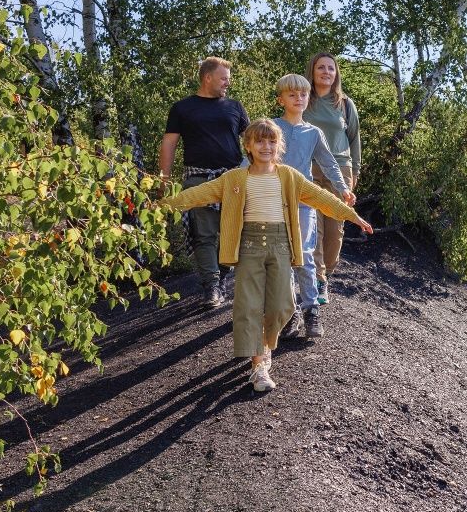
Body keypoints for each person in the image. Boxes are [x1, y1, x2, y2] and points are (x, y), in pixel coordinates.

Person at [158, 119, 372, 391]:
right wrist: (162, 204)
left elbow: (322, 198)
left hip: (281, 245)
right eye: (259, 141)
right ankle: (259, 366)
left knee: (283, 305)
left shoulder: (289, 176)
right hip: (248, 246)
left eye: (272, 141)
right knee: (248, 305)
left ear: (279, 146)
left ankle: (264, 344)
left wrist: (352, 216)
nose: (266, 146)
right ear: (248, 145)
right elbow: (198, 194)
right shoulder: (235, 178)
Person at [159, 57, 249, 308]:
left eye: (228, 79)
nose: (228, 83)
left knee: (235, 232)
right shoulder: (182, 108)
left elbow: (252, 140)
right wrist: (163, 180)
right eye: (224, 78)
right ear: (207, 78)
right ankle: (211, 286)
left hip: (233, 178)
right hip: (198, 179)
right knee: (204, 235)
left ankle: (222, 275)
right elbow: (169, 144)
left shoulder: (235, 107)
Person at [271, 74, 353, 340]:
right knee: (282, 259)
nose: (299, 99)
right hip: (274, 201)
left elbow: (329, 163)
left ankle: (311, 310)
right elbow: (250, 158)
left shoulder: (313, 132)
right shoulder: (271, 127)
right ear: (281, 99)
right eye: (292, 95)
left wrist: (343, 188)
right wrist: (235, 185)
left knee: (305, 255)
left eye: (303, 94)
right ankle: (290, 311)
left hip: (304, 201)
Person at [303, 52, 362, 306]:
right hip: (309, 168)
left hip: (340, 169)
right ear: (312, 71)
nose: (326, 72)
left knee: (335, 228)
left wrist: (355, 171)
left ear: (336, 73)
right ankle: (318, 280)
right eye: (321, 68)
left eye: (330, 68)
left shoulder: (345, 104)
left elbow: (355, 139)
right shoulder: (304, 99)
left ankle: (326, 271)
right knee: (312, 226)